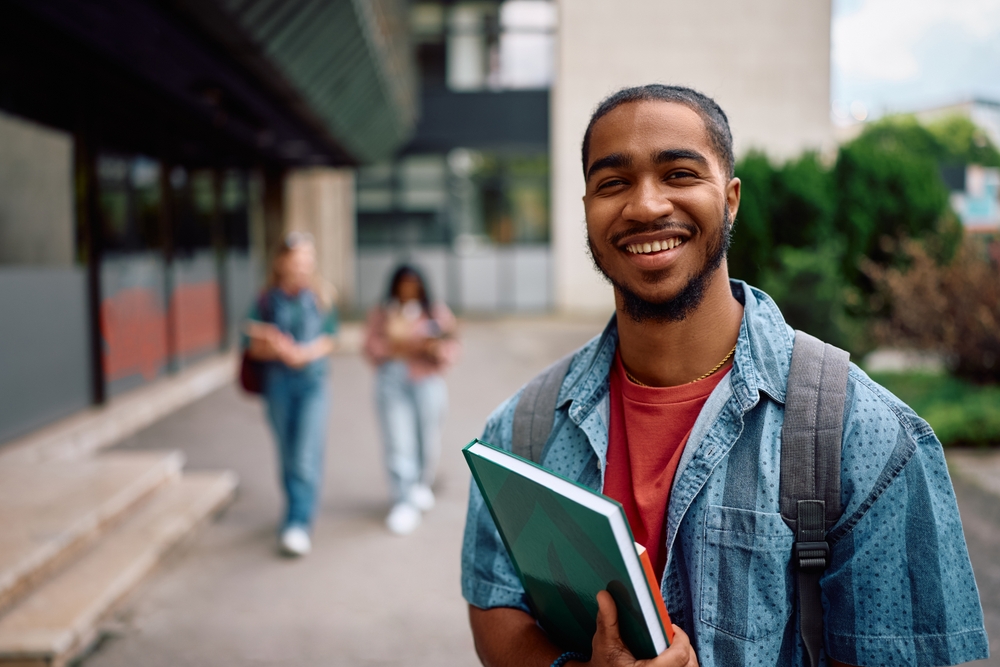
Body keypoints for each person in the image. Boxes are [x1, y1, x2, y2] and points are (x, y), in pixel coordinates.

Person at [461, 85, 989, 667]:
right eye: (613, 183)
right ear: (586, 207)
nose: (645, 205)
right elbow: (495, 605)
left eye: (680, 174)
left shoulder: (865, 438)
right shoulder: (521, 430)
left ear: (731, 199)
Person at [244, 231, 337, 557]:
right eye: (297, 260)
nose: (303, 267)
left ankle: (298, 522)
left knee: (305, 454)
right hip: (278, 385)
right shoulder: (266, 300)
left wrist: (303, 353)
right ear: (281, 262)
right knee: (287, 454)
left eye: (307, 260)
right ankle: (295, 510)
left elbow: (330, 338)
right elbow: (250, 345)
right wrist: (277, 349)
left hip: (313, 384)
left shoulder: (320, 296)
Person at [364, 264, 459, 535]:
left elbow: (452, 346)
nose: (408, 289)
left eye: (413, 284)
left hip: (426, 380)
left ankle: (420, 483)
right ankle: (403, 500)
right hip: (391, 381)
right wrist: (395, 346)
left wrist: (434, 348)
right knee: (398, 442)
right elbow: (369, 346)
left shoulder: (434, 312)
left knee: (426, 438)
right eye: (403, 284)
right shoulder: (383, 313)